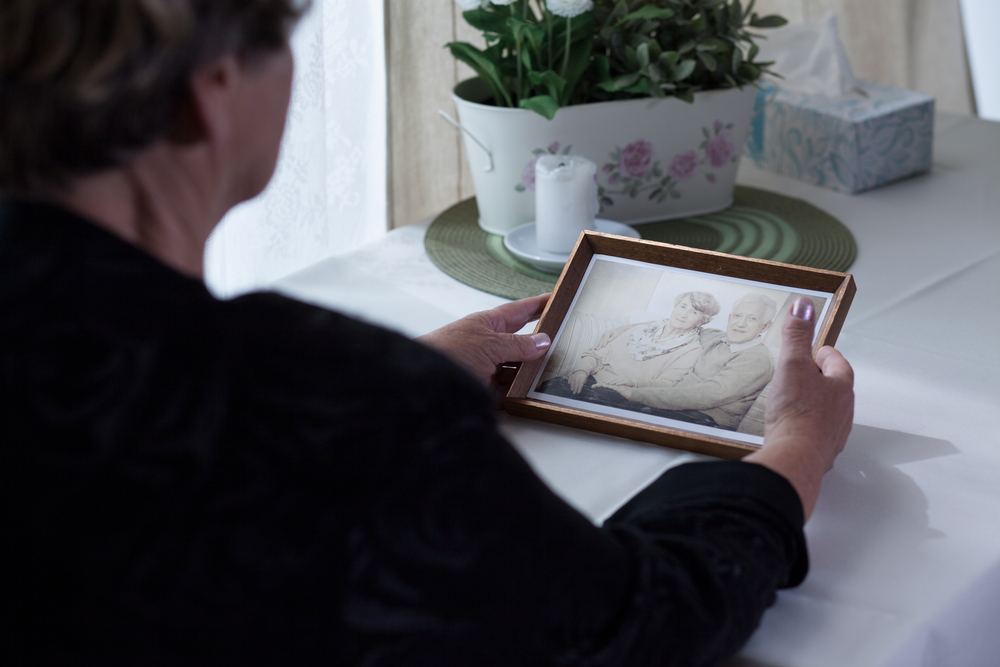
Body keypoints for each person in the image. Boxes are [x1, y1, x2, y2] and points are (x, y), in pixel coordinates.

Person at [0, 2, 855, 664]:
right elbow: (628, 621)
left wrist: (403, 380)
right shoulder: (346, 409)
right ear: (211, 90)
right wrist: (795, 449)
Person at [600, 293, 779, 430]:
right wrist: (627, 327)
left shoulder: (756, 359)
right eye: (738, 316)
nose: (740, 324)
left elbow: (706, 395)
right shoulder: (714, 336)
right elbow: (676, 326)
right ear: (731, 317)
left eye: (752, 319)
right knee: (599, 398)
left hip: (702, 421)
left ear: (764, 327)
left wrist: (636, 394)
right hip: (669, 405)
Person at [536, 291, 719, 409]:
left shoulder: (691, 349)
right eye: (683, 306)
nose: (684, 314)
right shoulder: (644, 329)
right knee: (547, 393)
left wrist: (630, 381)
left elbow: (667, 384)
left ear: (702, 321)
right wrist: (581, 370)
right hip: (589, 379)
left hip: (623, 395)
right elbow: (597, 355)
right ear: (675, 306)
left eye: (694, 312)